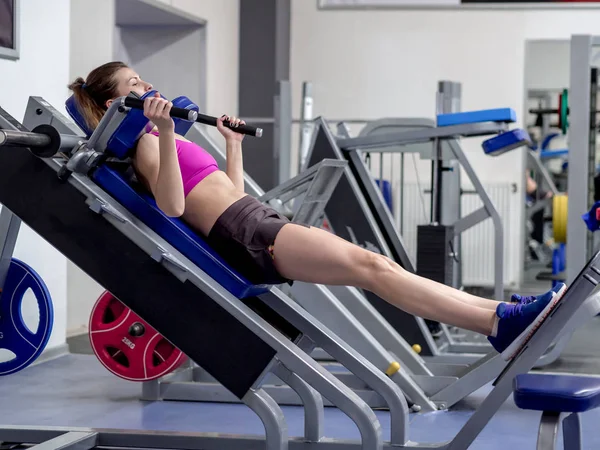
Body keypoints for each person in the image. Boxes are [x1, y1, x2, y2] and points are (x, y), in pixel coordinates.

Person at [67, 61, 566, 361]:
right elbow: (173, 207)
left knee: (380, 268)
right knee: (374, 268)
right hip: (245, 232)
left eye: (143, 78)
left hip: (249, 219)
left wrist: (232, 147)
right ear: (114, 104)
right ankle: (499, 323)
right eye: (134, 85)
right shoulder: (149, 147)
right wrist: (171, 133)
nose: (147, 87)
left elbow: (225, 192)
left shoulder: (161, 140)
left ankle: (502, 318)